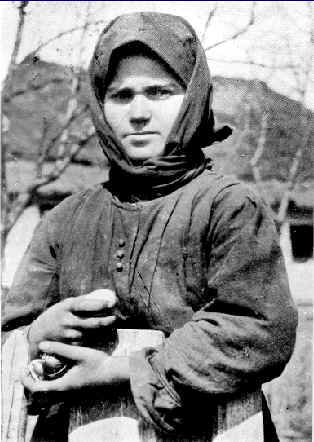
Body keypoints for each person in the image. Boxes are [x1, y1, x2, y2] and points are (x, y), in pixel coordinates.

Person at [2, 11, 298, 441]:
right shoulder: (66, 219)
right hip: (78, 429)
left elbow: (259, 328)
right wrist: (37, 333)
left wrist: (118, 371)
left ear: (193, 98)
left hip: (212, 427)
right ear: (101, 105)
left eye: (160, 92)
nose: (139, 113)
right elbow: (10, 332)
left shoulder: (229, 206)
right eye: (122, 95)